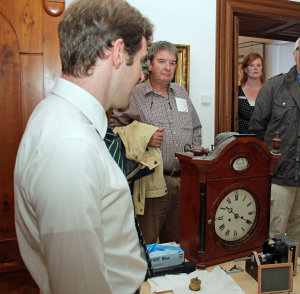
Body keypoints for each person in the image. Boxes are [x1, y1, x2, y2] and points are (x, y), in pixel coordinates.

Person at [14, 0, 154, 293]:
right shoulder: (69, 146)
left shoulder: (65, 120)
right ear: (117, 53)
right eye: (141, 61)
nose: (142, 75)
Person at [110, 41, 202, 245]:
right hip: (151, 182)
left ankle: (174, 278)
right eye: (161, 61)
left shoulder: (181, 93)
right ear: (149, 64)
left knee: (179, 244)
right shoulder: (135, 95)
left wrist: (195, 151)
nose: (168, 67)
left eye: (172, 62)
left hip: (183, 181)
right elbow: (115, 131)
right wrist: (144, 137)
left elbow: (196, 127)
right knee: (148, 243)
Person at [249, 37, 300, 256]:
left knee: (298, 238)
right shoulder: (274, 86)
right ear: (295, 53)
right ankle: (273, 284)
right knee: (276, 237)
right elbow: (256, 131)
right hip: (280, 175)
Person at [238, 52, 265, 134]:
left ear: (262, 68)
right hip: (243, 140)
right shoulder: (237, 91)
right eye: (252, 65)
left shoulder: (269, 90)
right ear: (245, 69)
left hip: (264, 141)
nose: (255, 68)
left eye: (258, 65)